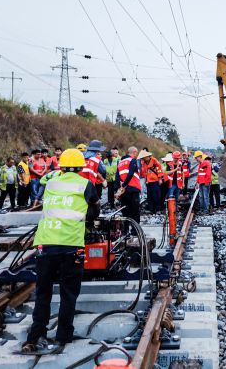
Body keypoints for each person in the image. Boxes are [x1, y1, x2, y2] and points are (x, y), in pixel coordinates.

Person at [22, 149, 100, 353]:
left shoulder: (51, 183)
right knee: (68, 293)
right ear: (81, 166)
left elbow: (45, 183)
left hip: (45, 243)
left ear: (61, 165)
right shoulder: (85, 184)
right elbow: (94, 209)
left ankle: (36, 334)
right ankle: (63, 335)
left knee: (43, 292)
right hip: (70, 245)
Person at [116, 146, 141, 223]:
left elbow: (117, 177)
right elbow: (130, 174)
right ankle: (135, 231)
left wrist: (119, 188)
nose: (137, 155)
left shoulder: (120, 163)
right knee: (135, 210)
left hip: (124, 191)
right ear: (134, 152)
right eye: (136, 153)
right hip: (133, 188)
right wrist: (124, 185)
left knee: (125, 210)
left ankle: (125, 230)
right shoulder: (132, 160)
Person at [139, 150, 164, 214]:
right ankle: (151, 209)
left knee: (156, 195)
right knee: (149, 196)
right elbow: (145, 172)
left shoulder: (154, 160)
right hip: (148, 181)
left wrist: (160, 178)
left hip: (155, 181)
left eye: (143, 157)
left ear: (147, 156)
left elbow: (159, 169)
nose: (142, 159)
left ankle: (158, 209)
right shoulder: (143, 162)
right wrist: (145, 180)